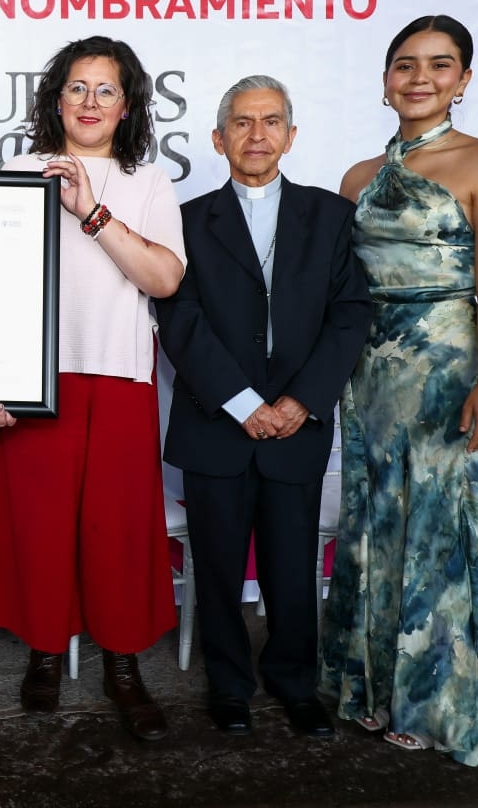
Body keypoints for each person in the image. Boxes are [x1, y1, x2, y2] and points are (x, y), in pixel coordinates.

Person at [319, 15, 478, 767]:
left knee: (442, 530)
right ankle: (374, 689)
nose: (420, 78)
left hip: (448, 370)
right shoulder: (356, 179)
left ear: (463, 80)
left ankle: (432, 702)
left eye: (440, 65)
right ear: (385, 81)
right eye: (405, 64)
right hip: (369, 376)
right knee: (376, 524)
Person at [0, 36, 187, 741]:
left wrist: (91, 212)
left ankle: (122, 664)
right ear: (56, 99)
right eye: (77, 87)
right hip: (33, 380)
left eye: (106, 90)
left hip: (120, 373)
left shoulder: (147, 181)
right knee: (38, 524)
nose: (90, 102)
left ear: (127, 105)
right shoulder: (17, 172)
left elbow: (164, 279)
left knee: (119, 529)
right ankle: (44, 650)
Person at [154, 75, 371, 740]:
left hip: (296, 425)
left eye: (271, 121)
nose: (257, 135)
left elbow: (349, 315)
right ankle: (229, 686)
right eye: (242, 123)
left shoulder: (330, 217)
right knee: (217, 567)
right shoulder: (187, 220)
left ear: (291, 135)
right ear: (218, 139)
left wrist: (300, 401)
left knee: (291, 565)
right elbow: (181, 321)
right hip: (216, 424)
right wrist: (244, 403)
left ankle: (294, 681)